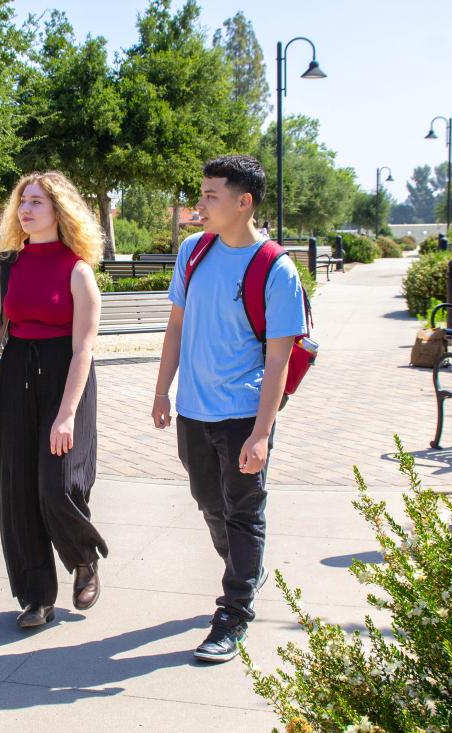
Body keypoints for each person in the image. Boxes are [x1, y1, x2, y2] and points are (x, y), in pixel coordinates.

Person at [151, 154, 307, 663]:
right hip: (194, 409)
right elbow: (175, 326)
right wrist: (161, 391)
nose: (201, 204)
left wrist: (262, 432)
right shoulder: (193, 252)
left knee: (243, 510)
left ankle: (235, 611)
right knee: (207, 500)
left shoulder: (276, 269)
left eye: (211, 196)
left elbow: (280, 356)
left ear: (244, 203)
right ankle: (246, 567)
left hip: (244, 411)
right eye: (202, 194)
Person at [0, 171, 108, 629]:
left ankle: (84, 558)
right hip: (15, 379)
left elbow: (85, 347)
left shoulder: (78, 269)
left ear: (59, 211)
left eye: (37, 203)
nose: (25, 210)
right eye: (22, 201)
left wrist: (66, 414)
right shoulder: (7, 265)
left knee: (57, 484)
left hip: (66, 380)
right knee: (18, 491)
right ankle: (36, 597)